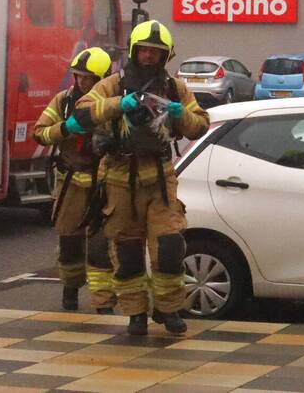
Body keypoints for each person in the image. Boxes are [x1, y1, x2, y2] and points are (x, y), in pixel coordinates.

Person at [73, 21, 208, 336]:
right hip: (120, 177)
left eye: (156, 52)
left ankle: (169, 308)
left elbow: (200, 125)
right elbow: (80, 116)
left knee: (170, 246)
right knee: (129, 251)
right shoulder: (112, 85)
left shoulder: (174, 88)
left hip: (159, 177)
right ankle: (135, 313)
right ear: (134, 51)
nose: (149, 56)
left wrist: (180, 115)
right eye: (144, 50)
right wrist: (120, 104)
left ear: (165, 56)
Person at [34, 46, 116, 314]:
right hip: (71, 184)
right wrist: (65, 128)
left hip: (104, 184)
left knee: (100, 248)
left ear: (102, 79)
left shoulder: (114, 102)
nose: (81, 82)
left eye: (88, 78)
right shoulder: (63, 101)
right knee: (69, 243)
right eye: (78, 76)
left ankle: (104, 304)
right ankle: (70, 291)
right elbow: (40, 133)